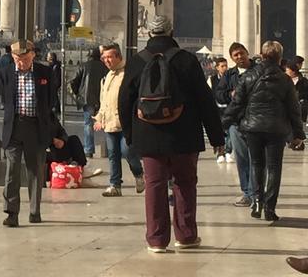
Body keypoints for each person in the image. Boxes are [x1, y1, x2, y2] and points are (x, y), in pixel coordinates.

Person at [120, 14, 226, 253]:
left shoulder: (137, 60)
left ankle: (156, 239)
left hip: (148, 133)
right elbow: (204, 100)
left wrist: (130, 134)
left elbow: (124, 100)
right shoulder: (186, 60)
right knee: (185, 184)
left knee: (154, 185)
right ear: (171, 31)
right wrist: (217, 137)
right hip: (184, 133)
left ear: (149, 33)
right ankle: (186, 235)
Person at [223, 40, 305, 222]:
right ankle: (270, 207)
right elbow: (294, 109)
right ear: (280, 57)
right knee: (274, 168)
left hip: (252, 128)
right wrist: (298, 135)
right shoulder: (285, 80)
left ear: (262, 55)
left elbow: (237, 104)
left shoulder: (249, 76)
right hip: (276, 129)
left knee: (256, 164)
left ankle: (257, 201)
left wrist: (222, 125)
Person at [0, 39, 56, 227]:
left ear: (33, 54)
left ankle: (34, 210)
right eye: (17, 58)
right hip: (14, 126)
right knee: (12, 171)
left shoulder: (45, 72)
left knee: (36, 171)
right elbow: (5, 98)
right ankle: (11, 212)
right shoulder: (6, 73)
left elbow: (51, 100)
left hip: (36, 127)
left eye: (24, 58)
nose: (20, 62)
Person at [93, 43, 144, 197]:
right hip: (109, 122)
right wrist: (99, 118)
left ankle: (139, 173)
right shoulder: (107, 76)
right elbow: (104, 100)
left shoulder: (128, 74)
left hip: (126, 122)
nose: (106, 61)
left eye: (109, 57)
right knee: (112, 155)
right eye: (104, 58)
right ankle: (115, 185)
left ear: (118, 57)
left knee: (127, 151)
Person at [214, 42, 256, 206]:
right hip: (235, 122)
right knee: (242, 159)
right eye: (235, 55)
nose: (239, 57)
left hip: (254, 120)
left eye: (241, 53)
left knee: (256, 159)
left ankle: (255, 192)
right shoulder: (230, 74)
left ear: (247, 52)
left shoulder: (258, 70)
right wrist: (230, 94)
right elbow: (219, 94)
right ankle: (247, 192)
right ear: (232, 57)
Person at [70, 47, 107, 157]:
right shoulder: (104, 66)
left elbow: (73, 81)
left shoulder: (84, 66)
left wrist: (78, 93)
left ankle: (89, 150)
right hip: (102, 98)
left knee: (88, 125)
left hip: (87, 99)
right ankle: (108, 149)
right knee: (106, 123)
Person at [209, 57, 233, 162]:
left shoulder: (230, 77)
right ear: (217, 67)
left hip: (229, 108)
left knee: (230, 131)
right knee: (219, 131)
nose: (225, 68)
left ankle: (228, 151)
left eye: (226, 65)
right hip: (217, 108)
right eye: (222, 66)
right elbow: (208, 94)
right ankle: (220, 152)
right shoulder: (211, 79)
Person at [47, 51, 63, 116]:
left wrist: (55, 84)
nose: (47, 58)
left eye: (48, 56)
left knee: (54, 96)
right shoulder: (54, 65)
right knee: (54, 96)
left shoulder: (55, 66)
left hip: (54, 83)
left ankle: (56, 109)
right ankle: (56, 108)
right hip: (55, 83)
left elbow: (55, 75)